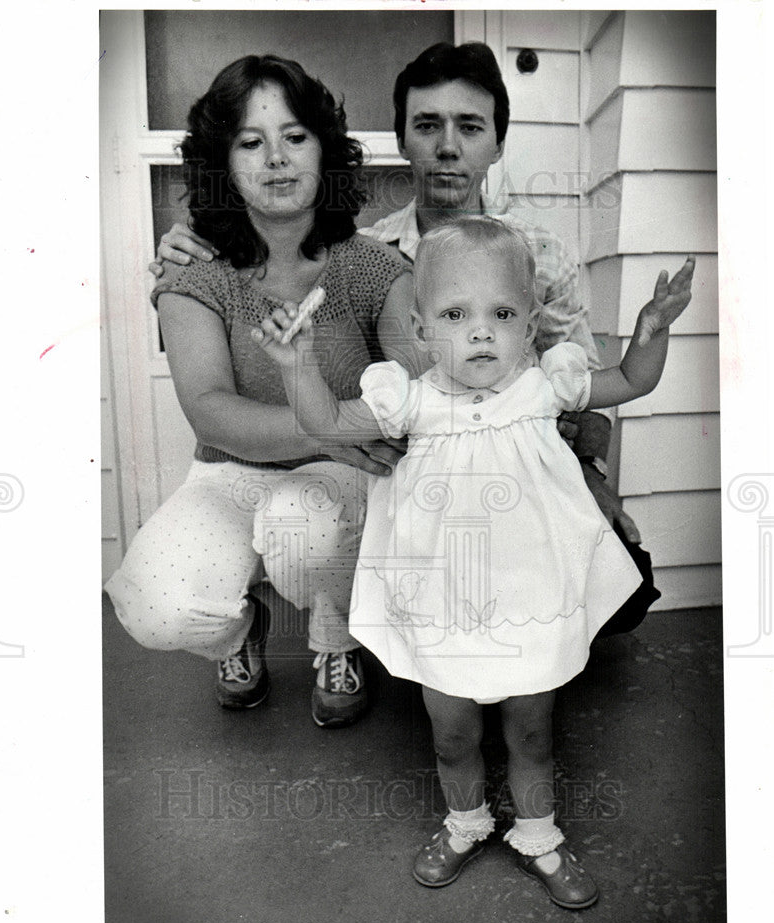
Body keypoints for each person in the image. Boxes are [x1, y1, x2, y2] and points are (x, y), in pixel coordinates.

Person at [253, 217, 695, 907]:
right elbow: (325, 424)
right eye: (456, 315)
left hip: (528, 600)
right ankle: (464, 822)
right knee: (452, 731)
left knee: (531, 729)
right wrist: (295, 366)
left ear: (528, 325)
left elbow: (633, 382)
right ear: (422, 329)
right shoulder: (411, 401)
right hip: (443, 604)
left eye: (501, 314)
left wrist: (652, 329)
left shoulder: (544, 388)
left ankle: (538, 835)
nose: (480, 332)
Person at [151, 41, 641, 551]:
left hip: (534, 461)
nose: (448, 147)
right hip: (426, 471)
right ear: (403, 140)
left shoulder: (542, 254)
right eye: (427, 125)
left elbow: (587, 382)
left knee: (611, 589)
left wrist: (589, 475)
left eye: (470, 127)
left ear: (498, 143)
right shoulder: (374, 250)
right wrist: (199, 234)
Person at [104, 54, 421, 728]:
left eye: (295, 136)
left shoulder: (373, 266)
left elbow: (414, 391)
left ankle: (336, 641)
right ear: (223, 164)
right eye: (250, 141)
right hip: (231, 476)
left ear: (324, 150)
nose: (275, 158)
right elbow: (212, 414)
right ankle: (234, 634)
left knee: (299, 526)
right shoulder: (195, 273)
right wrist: (335, 421)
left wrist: (343, 435)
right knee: (156, 603)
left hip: (340, 478)